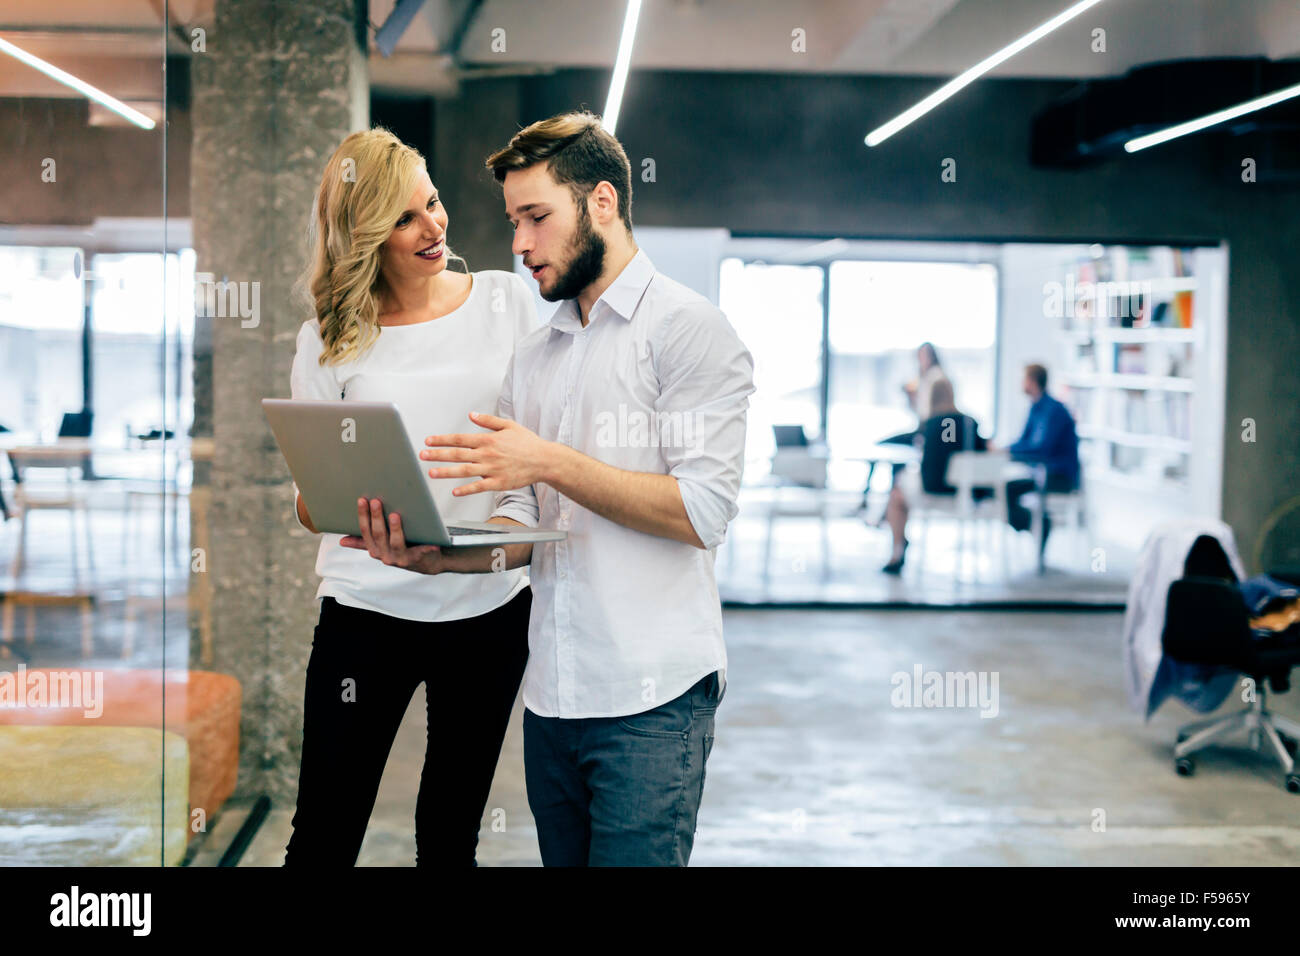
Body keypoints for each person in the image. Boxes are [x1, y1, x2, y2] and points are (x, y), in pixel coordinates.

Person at [342, 110, 755, 866]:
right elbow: (524, 525)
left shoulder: (690, 330)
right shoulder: (536, 355)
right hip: (553, 702)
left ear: (601, 203)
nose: (518, 244)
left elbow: (703, 510)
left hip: (652, 701)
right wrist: (446, 558)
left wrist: (548, 461)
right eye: (512, 221)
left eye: (536, 217)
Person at [282, 128, 540, 867]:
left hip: (487, 610)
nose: (433, 228)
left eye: (432, 204)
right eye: (404, 219)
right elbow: (308, 504)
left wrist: (490, 538)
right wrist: (339, 506)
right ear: (363, 237)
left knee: (449, 837)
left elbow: (532, 455)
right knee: (324, 835)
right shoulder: (330, 338)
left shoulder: (506, 303)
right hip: (366, 610)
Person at [881, 377, 988, 574]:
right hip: (968, 493)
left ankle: (897, 548)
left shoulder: (931, 424)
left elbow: (925, 459)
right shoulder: (969, 422)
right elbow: (985, 451)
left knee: (897, 493)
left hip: (935, 490)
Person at [865, 342, 950, 514]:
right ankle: (875, 504)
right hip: (926, 431)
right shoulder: (925, 379)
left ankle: (883, 509)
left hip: (927, 432)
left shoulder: (936, 379)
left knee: (894, 457)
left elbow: (926, 412)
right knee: (890, 453)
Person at [1005, 363, 1080, 553]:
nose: (1020, 383)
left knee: (1010, 489)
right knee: (1006, 489)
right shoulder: (1035, 407)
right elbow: (1024, 441)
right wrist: (1005, 449)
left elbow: (1041, 448)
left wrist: (1008, 451)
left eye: (1023, 379)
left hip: (1059, 476)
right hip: (1041, 473)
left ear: (1032, 381)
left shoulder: (1054, 410)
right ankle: (1034, 523)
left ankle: (1039, 524)